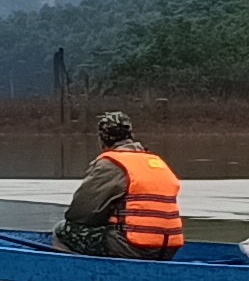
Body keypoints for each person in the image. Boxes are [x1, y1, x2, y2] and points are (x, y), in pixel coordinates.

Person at [58, 111, 183, 259]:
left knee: (63, 230)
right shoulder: (156, 162)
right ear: (130, 135)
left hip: (132, 247)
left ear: (102, 139)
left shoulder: (111, 164)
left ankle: (73, 270)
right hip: (168, 249)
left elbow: (80, 213)